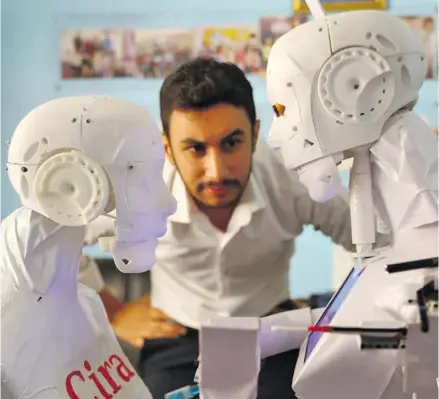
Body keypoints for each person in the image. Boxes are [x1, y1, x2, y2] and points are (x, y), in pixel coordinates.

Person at [86, 58, 356, 399]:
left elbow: (372, 240)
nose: (216, 172)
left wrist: (329, 314)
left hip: (269, 333)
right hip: (176, 340)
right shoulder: (135, 189)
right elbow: (50, 245)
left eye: (231, 143)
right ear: (167, 148)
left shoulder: (293, 178)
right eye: (195, 148)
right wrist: (115, 313)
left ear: (256, 135)